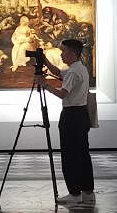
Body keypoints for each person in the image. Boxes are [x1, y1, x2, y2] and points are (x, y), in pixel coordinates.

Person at [36, 39, 95, 204]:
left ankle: (75, 193)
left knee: (70, 156)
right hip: (81, 115)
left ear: (72, 53)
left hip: (72, 116)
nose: (60, 54)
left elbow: (63, 94)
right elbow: (57, 72)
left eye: (63, 51)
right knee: (82, 153)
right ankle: (88, 191)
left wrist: (44, 85)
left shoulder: (73, 72)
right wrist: (44, 59)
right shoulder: (79, 68)